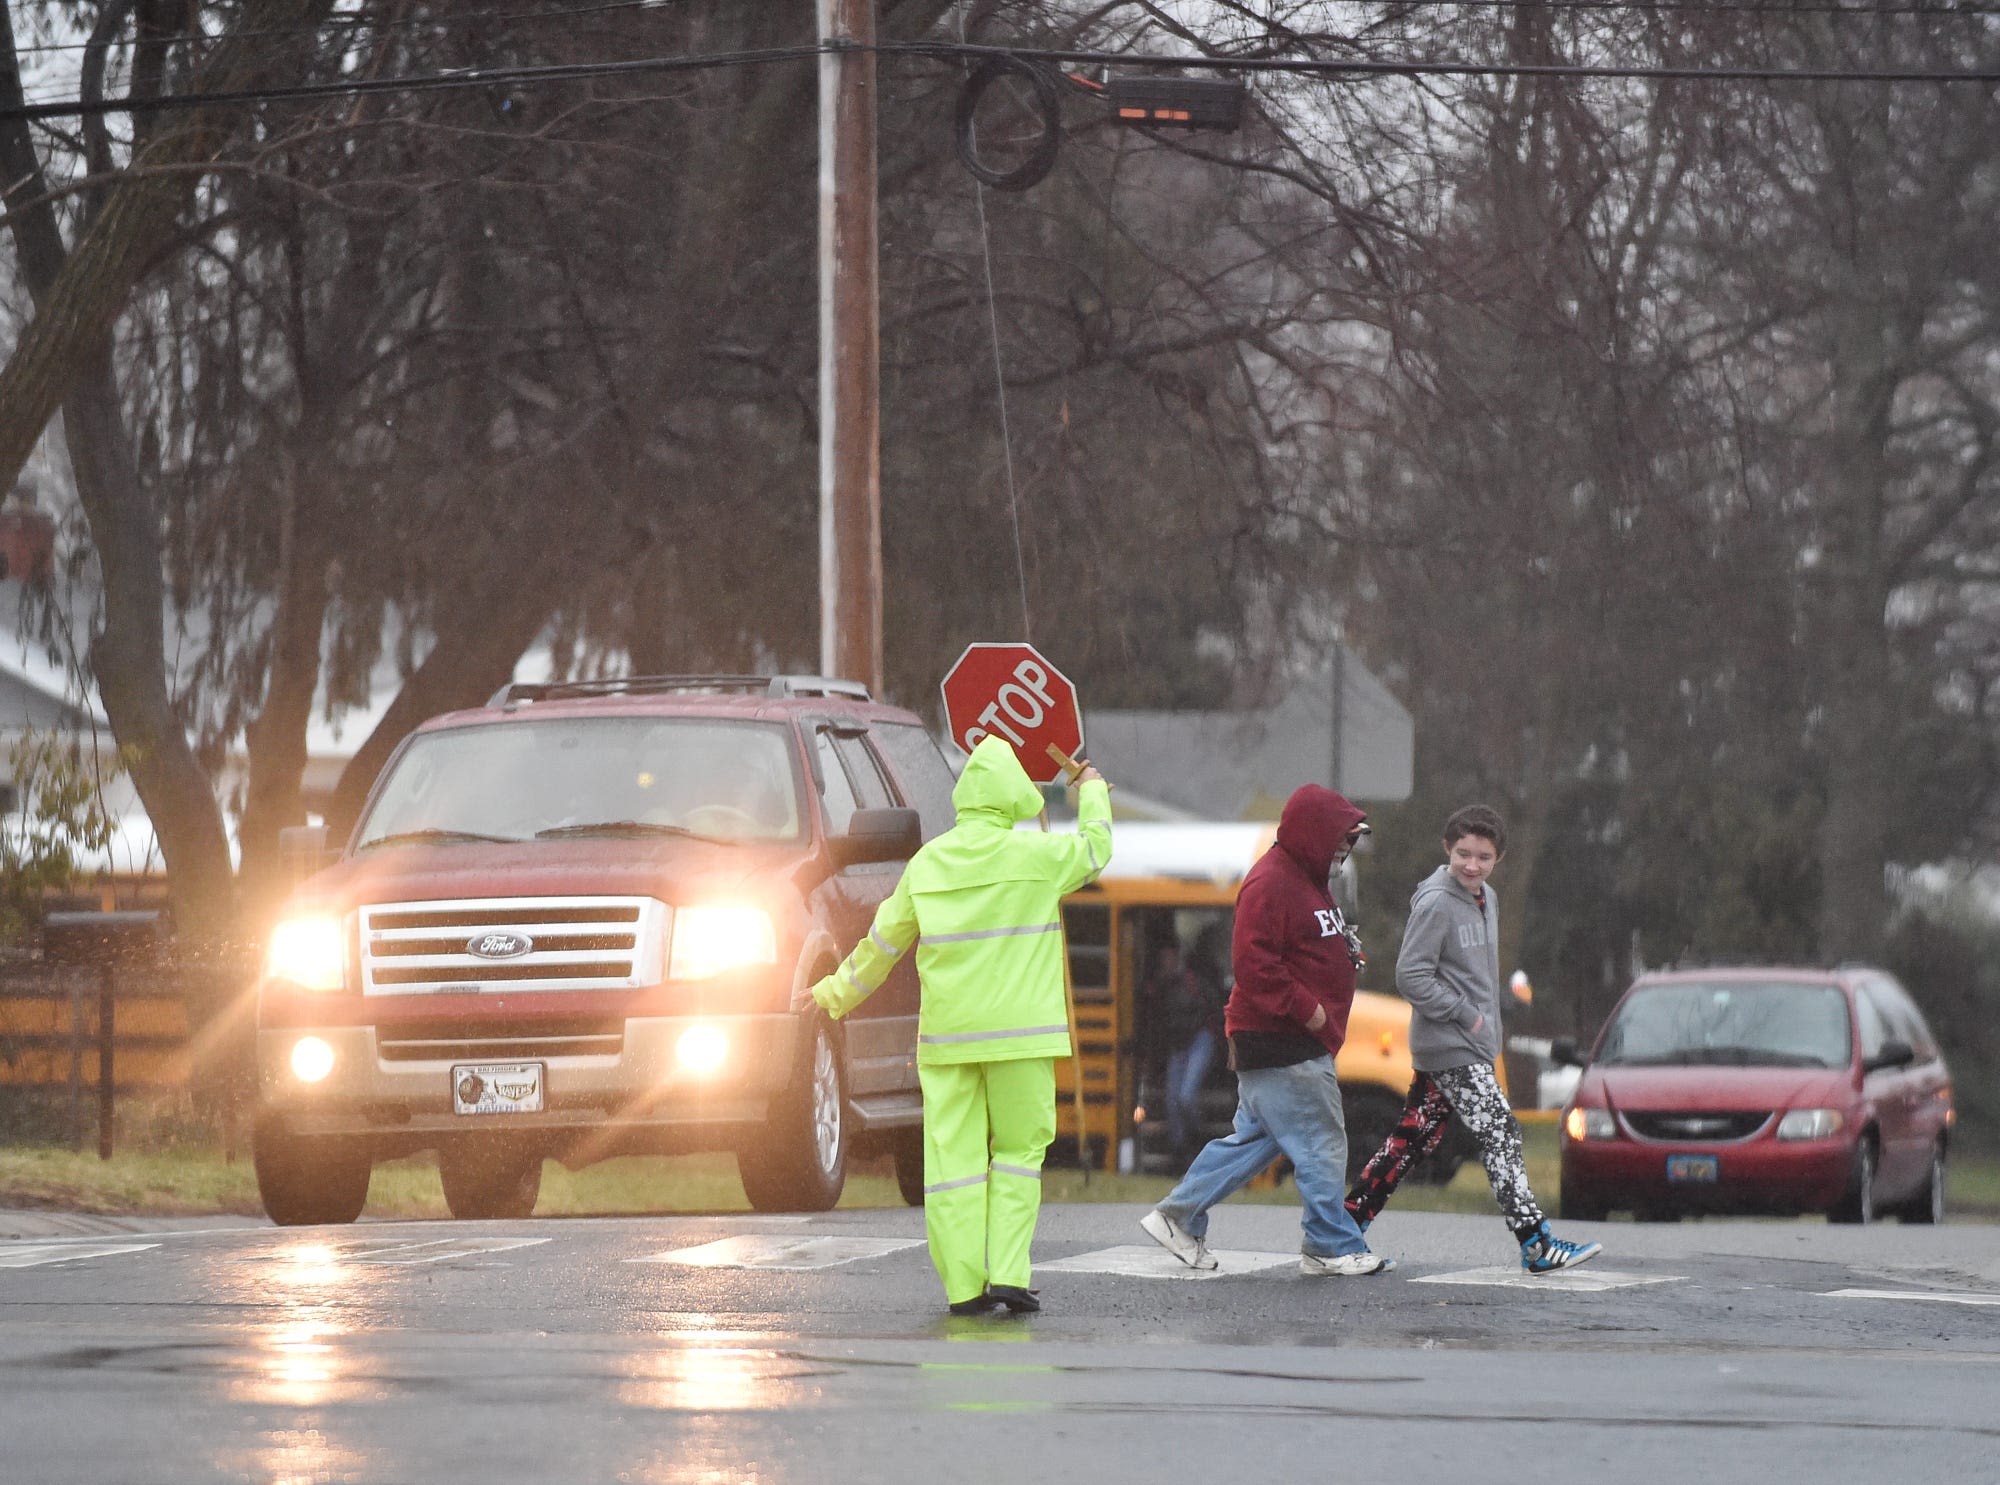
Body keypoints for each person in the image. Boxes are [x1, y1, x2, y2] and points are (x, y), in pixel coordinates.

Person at [796, 735, 1112, 1316]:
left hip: (949, 1042)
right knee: (1019, 1151)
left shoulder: (928, 864)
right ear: (1012, 795)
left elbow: (880, 947)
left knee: (952, 1166)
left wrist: (829, 995)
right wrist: (1091, 791)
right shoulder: (1036, 860)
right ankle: (1011, 1273)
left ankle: (964, 1288)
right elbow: (1095, 850)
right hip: (1022, 1039)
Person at [1139, 785, 1394, 1277]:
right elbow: (1253, 964)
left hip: (1284, 1041)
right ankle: (1329, 1244)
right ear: (1313, 833)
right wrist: (1311, 1011)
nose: (1347, 848)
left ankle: (1176, 1216)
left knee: (1255, 1143)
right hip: (1283, 1039)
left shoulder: (1309, 877)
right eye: (1342, 838)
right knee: (1322, 1140)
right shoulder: (1271, 882)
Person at [1343, 805, 1602, 1274]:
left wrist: (1490, 1020)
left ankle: (1343, 1228)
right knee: (1501, 1129)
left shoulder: (1489, 899)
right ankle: (1536, 1243)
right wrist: (1466, 1016)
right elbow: (1411, 975)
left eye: (1483, 857)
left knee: (1412, 1139)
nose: (1472, 865)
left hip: (1471, 1044)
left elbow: (1474, 974)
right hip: (1450, 1045)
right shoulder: (1436, 903)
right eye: (1463, 853)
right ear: (1447, 848)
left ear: (1497, 857)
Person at [1140, 938, 1224, 1162]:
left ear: (1177, 957)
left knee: (1186, 1096)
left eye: (1169, 957)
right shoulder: (1159, 986)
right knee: (1171, 1101)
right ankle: (1180, 1150)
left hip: (1199, 1038)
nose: (1166, 962)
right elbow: (1154, 1022)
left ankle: (1198, 1139)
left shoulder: (1191, 981)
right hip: (1178, 1044)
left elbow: (1215, 1007)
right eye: (1162, 959)